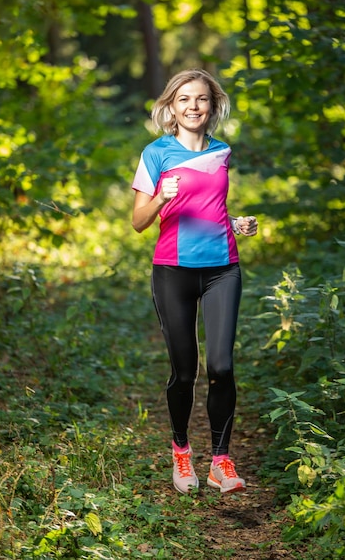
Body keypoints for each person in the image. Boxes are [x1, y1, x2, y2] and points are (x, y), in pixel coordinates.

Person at [131, 69, 258, 494]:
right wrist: (159, 198)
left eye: (201, 99)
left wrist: (234, 221)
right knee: (185, 372)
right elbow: (137, 222)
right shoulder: (155, 153)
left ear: (212, 105)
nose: (193, 106)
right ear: (171, 106)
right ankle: (181, 451)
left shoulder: (222, 151)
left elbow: (210, 203)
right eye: (184, 99)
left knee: (221, 366)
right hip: (173, 270)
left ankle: (221, 461)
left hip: (223, 267)